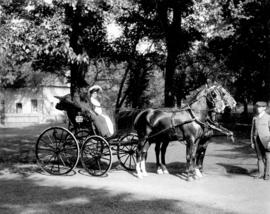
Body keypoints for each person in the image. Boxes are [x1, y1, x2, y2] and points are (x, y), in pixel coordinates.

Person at [250, 101, 270, 180]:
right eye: (257, 107)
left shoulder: (268, 117)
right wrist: (252, 141)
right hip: (257, 140)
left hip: (266, 140)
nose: (258, 108)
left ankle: (267, 175)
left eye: (260, 107)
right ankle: (260, 174)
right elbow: (252, 130)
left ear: (264, 108)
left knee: (268, 158)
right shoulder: (255, 118)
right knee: (259, 158)